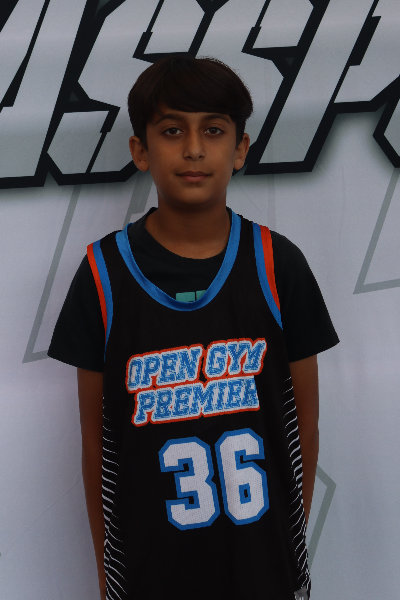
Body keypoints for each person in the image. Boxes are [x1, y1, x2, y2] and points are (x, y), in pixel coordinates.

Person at [48, 55, 339, 600]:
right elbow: (96, 446)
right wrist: (107, 569)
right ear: (140, 150)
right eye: (171, 130)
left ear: (241, 148)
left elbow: (304, 428)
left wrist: (288, 545)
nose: (194, 149)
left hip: (265, 568)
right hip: (149, 573)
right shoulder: (102, 275)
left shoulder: (279, 265)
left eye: (213, 130)